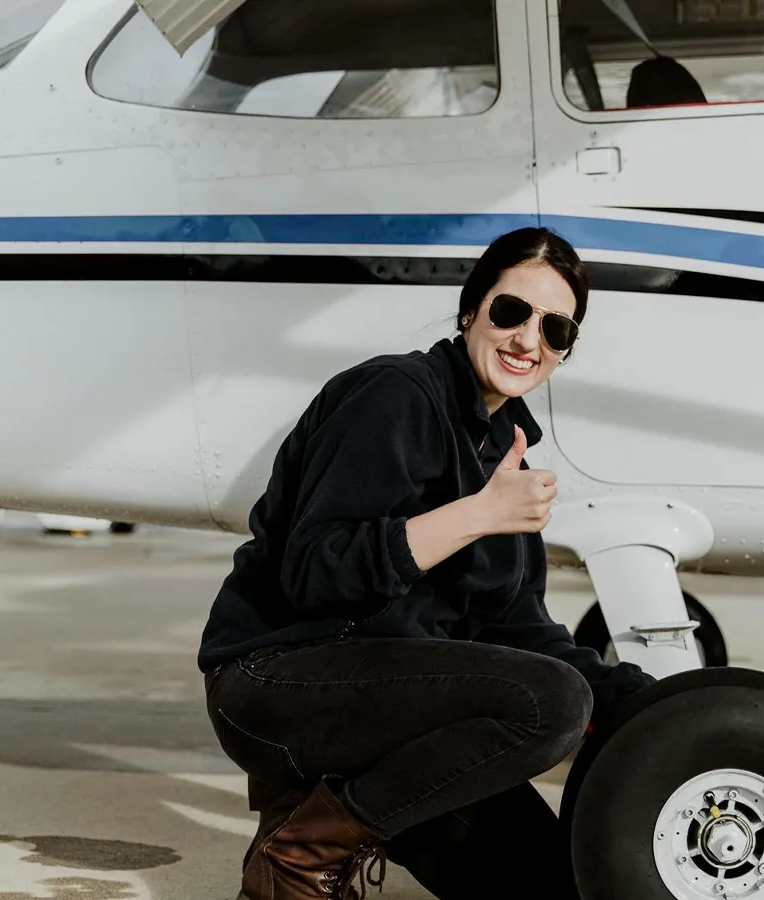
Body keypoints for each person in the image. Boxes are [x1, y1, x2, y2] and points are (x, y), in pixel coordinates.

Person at [196, 226, 657, 899]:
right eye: (511, 312)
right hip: (278, 680)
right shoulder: (395, 395)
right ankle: (302, 850)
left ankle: (320, 811)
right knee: (550, 703)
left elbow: (518, 630)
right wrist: (476, 514)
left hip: (395, 709)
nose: (528, 340)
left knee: (556, 884)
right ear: (471, 310)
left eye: (555, 329)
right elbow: (316, 572)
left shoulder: (503, 451)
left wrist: (651, 701)